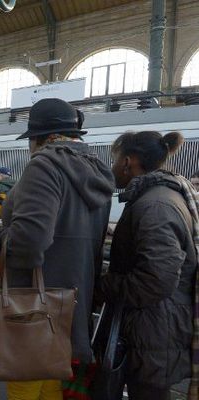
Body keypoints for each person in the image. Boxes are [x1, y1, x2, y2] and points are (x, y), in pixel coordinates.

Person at [0, 98, 114, 400]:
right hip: (71, 302)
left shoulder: (45, 166)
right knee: (50, 380)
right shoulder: (97, 170)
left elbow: (29, 241)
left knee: (25, 385)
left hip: (33, 308)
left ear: (40, 138)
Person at [97, 131, 196, 400]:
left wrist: (105, 284)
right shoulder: (162, 196)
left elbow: (157, 279)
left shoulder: (155, 205)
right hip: (157, 327)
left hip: (154, 331)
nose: (113, 167)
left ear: (128, 162)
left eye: (115, 160)